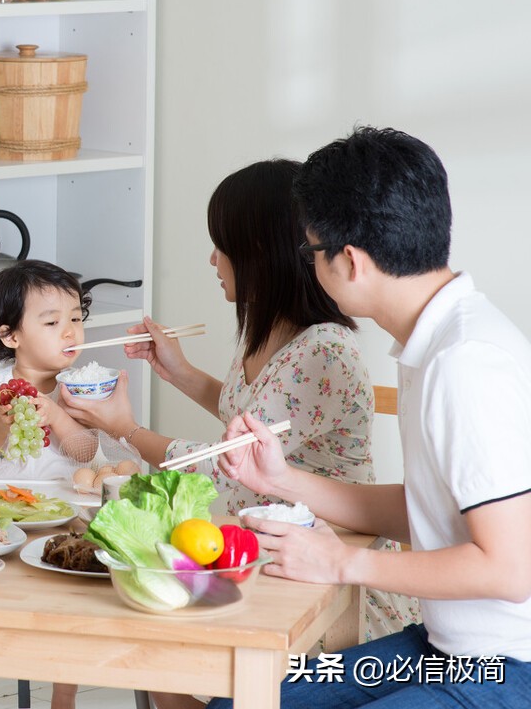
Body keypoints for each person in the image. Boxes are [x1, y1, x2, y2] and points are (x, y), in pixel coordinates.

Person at [207, 127, 531, 708]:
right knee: (245, 699)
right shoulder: (433, 341)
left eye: (310, 251)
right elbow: (426, 509)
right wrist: (276, 478)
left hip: (501, 669)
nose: (307, 265)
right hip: (441, 650)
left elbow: (511, 568)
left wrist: (342, 561)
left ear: (350, 260)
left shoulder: (464, 364)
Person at [59, 160, 419, 655]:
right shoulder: (269, 331)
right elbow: (246, 418)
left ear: (257, 254)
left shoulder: (322, 351)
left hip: (328, 565)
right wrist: (179, 372)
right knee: (150, 623)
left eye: (221, 246)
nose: (212, 260)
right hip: (265, 545)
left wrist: (127, 430)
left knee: (159, 634)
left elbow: (224, 465)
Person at [0, 259, 105, 709]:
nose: (70, 331)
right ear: (10, 336)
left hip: (61, 512)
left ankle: (63, 694)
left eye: (77, 318)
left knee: (74, 583)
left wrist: (57, 413)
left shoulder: (80, 387)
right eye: (53, 322)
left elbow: (86, 454)